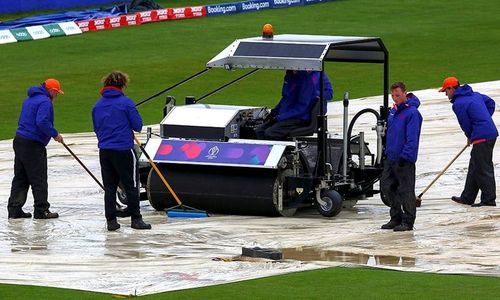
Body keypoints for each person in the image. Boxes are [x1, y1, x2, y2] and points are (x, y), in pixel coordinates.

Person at [92, 71, 151, 231]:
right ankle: (136, 219)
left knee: (110, 187)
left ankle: (111, 220)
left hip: (105, 150)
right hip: (124, 149)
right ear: (122, 85)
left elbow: (96, 128)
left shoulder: (97, 105)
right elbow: (138, 125)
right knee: (131, 185)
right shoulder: (125, 102)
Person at [7, 79, 64, 219]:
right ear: (51, 91)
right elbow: (42, 122)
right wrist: (55, 134)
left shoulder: (29, 99)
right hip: (32, 144)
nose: (56, 96)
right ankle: (41, 210)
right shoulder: (45, 102)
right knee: (39, 178)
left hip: (20, 140)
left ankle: (14, 209)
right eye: (56, 93)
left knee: (21, 177)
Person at [439, 77, 498, 207]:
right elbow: (491, 103)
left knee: (483, 168)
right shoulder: (475, 95)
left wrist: (471, 134)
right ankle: (467, 197)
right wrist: (484, 119)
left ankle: (489, 200)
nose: (446, 94)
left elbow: (465, 123)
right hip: (489, 133)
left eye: (446, 91)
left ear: (451, 88)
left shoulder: (458, 104)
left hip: (482, 137)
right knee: (474, 166)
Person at [380, 82, 423, 231]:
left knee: (406, 190)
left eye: (398, 95)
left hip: (404, 159)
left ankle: (408, 221)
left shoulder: (412, 113)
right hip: (391, 156)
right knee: (387, 186)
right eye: (393, 95)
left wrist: (406, 156)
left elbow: (412, 138)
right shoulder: (393, 112)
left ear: (405, 94)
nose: (395, 98)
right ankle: (396, 217)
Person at [255, 70, 333, 140]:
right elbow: (286, 98)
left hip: (302, 115)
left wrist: (313, 94)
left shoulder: (313, 78)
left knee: (270, 133)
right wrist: (273, 113)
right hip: (290, 113)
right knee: (259, 130)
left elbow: (329, 94)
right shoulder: (291, 77)